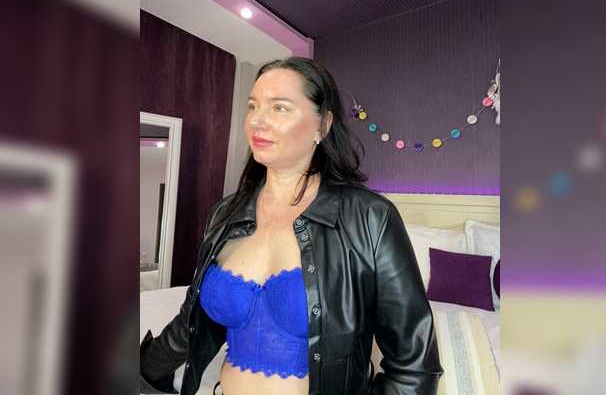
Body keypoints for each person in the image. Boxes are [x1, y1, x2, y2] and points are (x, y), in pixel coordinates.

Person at [140, 57, 442, 395]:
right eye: (253, 106)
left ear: (323, 125)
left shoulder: (370, 218)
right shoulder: (224, 214)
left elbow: (414, 369)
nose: (257, 120)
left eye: (279, 108)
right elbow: (189, 324)